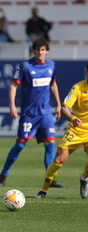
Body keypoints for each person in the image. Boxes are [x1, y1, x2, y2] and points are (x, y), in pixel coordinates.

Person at [0, 38, 63, 188]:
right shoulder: (25, 66)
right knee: (20, 145)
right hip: (29, 114)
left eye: (43, 50)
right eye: (38, 49)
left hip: (45, 113)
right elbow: (13, 85)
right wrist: (12, 105)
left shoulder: (51, 65)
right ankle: (3, 175)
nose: (40, 52)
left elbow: (53, 84)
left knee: (50, 144)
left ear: (47, 51)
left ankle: (49, 179)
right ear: (33, 51)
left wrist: (58, 104)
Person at [34, 64, 88, 199]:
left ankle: (84, 178)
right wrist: (72, 118)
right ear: (86, 72)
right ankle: (43, 190)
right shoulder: (78, 88)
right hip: (76, 130)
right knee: (58, 160)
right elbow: (64, 109)